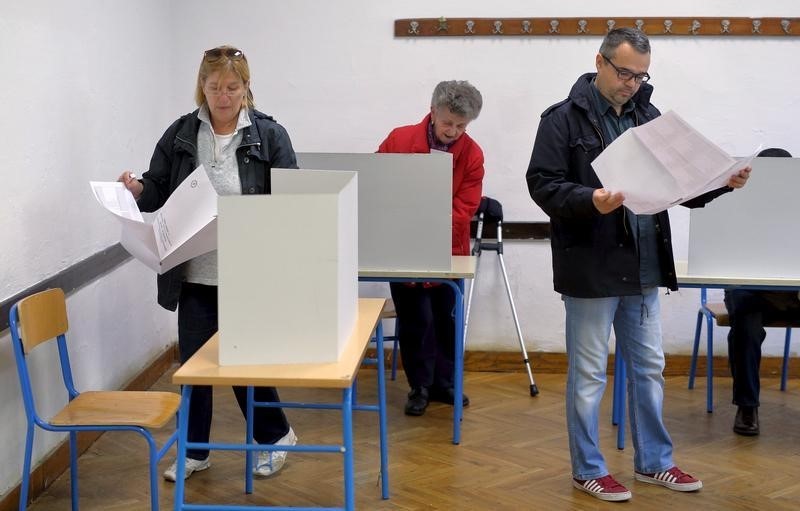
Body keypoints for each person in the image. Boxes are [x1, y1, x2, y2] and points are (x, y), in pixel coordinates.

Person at [526, 28, 751, 502]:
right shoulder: (563, 119)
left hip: (645, 264)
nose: (632, 83)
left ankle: (655, 463)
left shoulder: (649, 117)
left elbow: (678, 186)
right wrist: (591, 199)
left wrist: (720, 182)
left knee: (649, 368)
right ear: (600, 61)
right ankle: (588, 469)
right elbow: (543, 184)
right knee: (588, 374)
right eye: (624, 72)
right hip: (591, 266)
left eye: (641, 75)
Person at [118, 45, 298, 482]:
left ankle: (273, 437)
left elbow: (293, 198)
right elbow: (159, 186)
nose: (223, 96)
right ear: (202, 85)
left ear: (246, 88)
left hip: (247, 271)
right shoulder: (182, 133)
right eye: (214, 87)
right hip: (194, 271)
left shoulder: (269, 136)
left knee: (244, 364)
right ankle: (195, 451)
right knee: (196, 366)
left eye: (232, 87)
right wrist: (139, 189)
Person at [377, 80, 484, 416]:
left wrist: (429, 221)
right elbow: (377, 181)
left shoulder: (473, 153)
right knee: (415, 318)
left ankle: (446, 383)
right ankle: (419, 386)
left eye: (461, 126)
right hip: (404, 245)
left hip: (448, 246)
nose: (453, 131)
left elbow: (467, 204)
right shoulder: (399, 139)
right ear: (433, 112)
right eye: (448, 123)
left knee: (445, 316)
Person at [725, 147, 800, 436]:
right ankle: (747, 406)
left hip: (793, 291)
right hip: (751, 291)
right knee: (745, 319)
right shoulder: (734, 201)